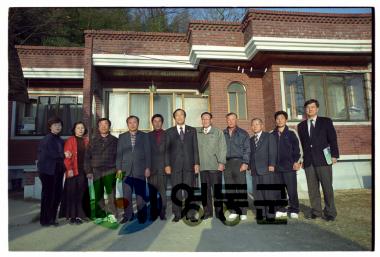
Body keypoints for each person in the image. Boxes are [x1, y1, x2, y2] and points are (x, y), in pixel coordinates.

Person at [297, 99, 339, 221]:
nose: (310, 109)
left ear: (317, 109)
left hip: (324, 160)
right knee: (312, 188)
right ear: (305, 110)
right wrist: (301, 160)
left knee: (327, 187)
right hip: (309, 161)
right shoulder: (301, 126)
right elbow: (302, 145)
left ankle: (330, 212)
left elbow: (333, 139)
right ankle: (316, 211)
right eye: (307, 107)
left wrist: (334, 155)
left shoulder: (326, 121)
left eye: (312, 107)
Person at [165, 108, 200, 222]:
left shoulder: (192, 130)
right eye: (177, 115)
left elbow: (195, 148)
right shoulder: (169, 131)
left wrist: (196, 163)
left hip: (189, 165)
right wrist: (167, 165)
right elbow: (167, 150)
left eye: (181, 115)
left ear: (185, 117)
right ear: (174, 118)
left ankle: (190, 214)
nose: (179, 117)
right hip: (174, 166)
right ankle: (177, 214)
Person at [116, 115, 151, 224]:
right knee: (126, 195)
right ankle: (128, 215)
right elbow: (119, 154)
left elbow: (148, 153)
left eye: (134, 122)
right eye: (130, 122)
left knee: (140, 195)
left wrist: (147, 168)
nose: (132, 124)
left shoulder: (145, 136)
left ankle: (142, 215)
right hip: (125, 170)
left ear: (138, 123)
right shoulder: (122, 137)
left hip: (140, 169)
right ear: (127, 124)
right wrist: (118, 169)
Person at [85, 118, 118, 224]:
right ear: (98, 127)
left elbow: (118, 156)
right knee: (98, 193)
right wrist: (88, 171)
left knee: (111, 193)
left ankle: (113, 214)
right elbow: (87, 157)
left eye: (106, 124)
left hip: (110, 169)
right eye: (101, 125)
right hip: (96, 170)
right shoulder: (93, 140)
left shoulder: (115, 140)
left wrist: (118, 170)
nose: (104, 126)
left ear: (109, 126)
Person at [271, 111, 302, 219]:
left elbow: (298, 149)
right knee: (278, 190)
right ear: (275, 120)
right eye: (277, 118)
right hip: (276, 168)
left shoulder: (292, 132)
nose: (279, 120)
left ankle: (294, 209)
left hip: (289, 167)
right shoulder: (271, 134)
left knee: (292, 189)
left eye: (282, 118)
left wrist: (297, 162)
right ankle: (281, 209)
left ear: (286, 120)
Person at [197, 112, 227, 220]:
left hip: (215, 166)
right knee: (205, 192)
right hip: (203, 167)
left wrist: (222, 162)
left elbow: (223, 148)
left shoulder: (218, 132)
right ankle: (207, 212)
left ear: (211, 120)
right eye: (203, 119)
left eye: (207, 119)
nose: (205, 121)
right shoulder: (197, 132)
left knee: (217, 191)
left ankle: (219, 213)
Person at [59, 122, 89, 224]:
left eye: (82, 128)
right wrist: (69, 169)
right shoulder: (70, 140)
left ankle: (80, 215)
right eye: (78, 128)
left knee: (81, 193)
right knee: (72, 194)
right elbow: (67, 157)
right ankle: (72, 216)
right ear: (74, 129)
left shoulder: (86, 140)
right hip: (73, 171)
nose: (81, 130)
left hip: (83, 171)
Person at [37, 116, 65, 226]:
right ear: (50, 127)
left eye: (59, 125)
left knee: (57, 195)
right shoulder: (47, 139)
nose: (58, 127)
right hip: (47, 171)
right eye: (55, 125)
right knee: (48, 196)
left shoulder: (60, 139)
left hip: (57, 170)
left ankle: (52, 218)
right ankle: (45, 220)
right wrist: (64, 155)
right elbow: (51, 154)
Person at [223, 112, 250, 221]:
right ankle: (233, 211)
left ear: (236, 120)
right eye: (228, 119)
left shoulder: (243, 133)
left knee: (241, 188)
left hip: (239, 163)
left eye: (232, 119)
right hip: (227, 163)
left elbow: (247, 149)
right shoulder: (223, 133)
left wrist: (245, 163)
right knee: (230, 189)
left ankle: (243, 211)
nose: (230, 121)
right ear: (226, 120)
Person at [249, 118, 277, 220]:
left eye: (257, 124)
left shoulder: (269, 136)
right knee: (258, 193)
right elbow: (251, 154)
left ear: (262, 125)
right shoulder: (251, 140)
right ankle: (261, 213)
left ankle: (270, 214)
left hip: (266, 168)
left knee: (268, 192)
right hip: (255, 170)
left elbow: (272, 151)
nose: (255, 126)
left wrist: (272, 164)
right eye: (253, 125)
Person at [148, 114, 168, 221]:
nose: (157, 123)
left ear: (162, 122)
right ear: (152, 123)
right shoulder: (148, 136)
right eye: (155, 121)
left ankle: (162, 212)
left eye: (159, 121)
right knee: (152, 194)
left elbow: (170, 152)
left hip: (163, 168)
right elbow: (145, 153)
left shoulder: (167, 134)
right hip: (151, 170)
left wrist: (168, 166)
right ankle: (153, 213)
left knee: (162, 193)